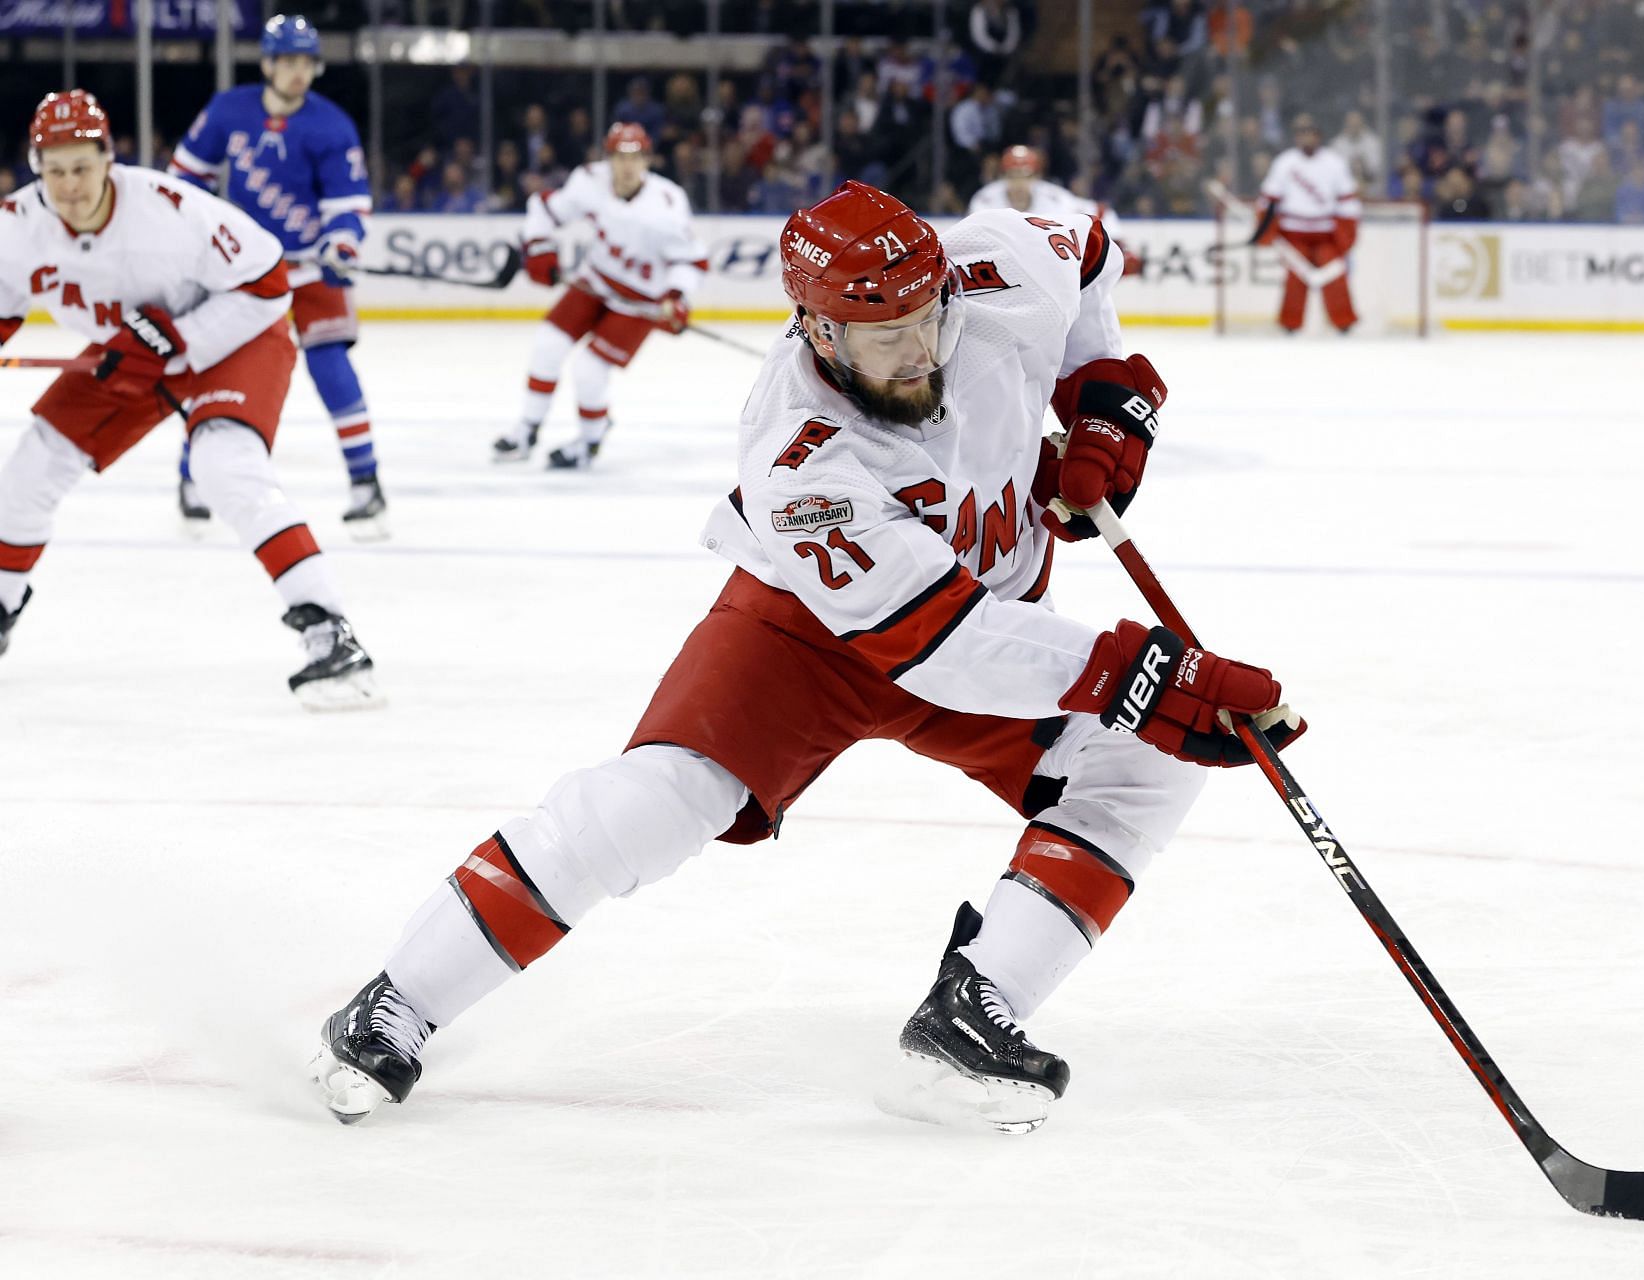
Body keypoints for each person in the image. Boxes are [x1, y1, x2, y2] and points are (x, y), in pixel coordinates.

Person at [310, 180, 1300, 1131]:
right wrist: (1151, 677)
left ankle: (973, 1012)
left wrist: (1101, 391)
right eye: (885, 335)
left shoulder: (993, 271)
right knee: (656, 804)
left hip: (979, 620)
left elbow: (1085, 247)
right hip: (807, 635)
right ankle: (397, 998)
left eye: (929, 315)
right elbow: (933, 645)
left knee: (1150, 765)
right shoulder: (797, 452)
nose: (921, 351)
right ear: (819, 330)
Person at [0, 90, 381, 708]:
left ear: (108, 159)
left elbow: (269, 282)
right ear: (35, 166)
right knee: (32, 464)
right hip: (130, 350)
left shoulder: (169, 212)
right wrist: (151, 344)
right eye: (54, 169)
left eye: (82, 167)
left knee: (223, 465)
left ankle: (329, 630)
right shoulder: (16, 228)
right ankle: (2, 607)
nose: (69, 186)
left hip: (235, 336)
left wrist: (180, 341)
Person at [168, 14, 388, 539]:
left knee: (330, 364)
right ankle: (191, 475)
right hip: (244, 270)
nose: (297, 72)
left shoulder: (331, 124)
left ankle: (366, 481)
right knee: (214, 363)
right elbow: (184, 180)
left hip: (312, 269)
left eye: (306, 62)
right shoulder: (229, 110)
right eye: (287, 61)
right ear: (268, 63)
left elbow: (349, 204)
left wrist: (340, 243)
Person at [491, 123, 708, 470]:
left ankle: (588, 442)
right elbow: (545, 210)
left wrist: (677, 297)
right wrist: (539, 247)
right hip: (596, 281)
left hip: (641, 300)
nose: (627, 166)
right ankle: (527, 429)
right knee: (548, 344)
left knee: (589, 370)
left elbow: (693, 260)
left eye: (636, 157)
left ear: (648, 160)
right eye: (620, 157)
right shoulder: (589, 181)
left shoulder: (667, 203)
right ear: (608, 158)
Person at [1249, 113, 1361, 334]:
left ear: (1318, 136)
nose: (1306, 138)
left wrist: (1347, 234)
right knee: (1295, 278)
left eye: (1310, 134)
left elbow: (1348, 201)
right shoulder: (1284, 163)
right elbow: (1269, 200)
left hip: (1325, 234)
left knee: (1334, 275)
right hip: (1293, 234)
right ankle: (1290, 325)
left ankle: (1343, 322)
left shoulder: (1334, 163)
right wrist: (1266, 228)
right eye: (1301, 134)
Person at [968, 146, 1138, 274]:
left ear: (1036, 177)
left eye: (1025, 176)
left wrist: (1117, 245)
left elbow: (1100, 211)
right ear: (1003, 176)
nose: (1019, 183)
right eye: (1013, 175)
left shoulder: (1054, 198)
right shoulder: (984, 200)